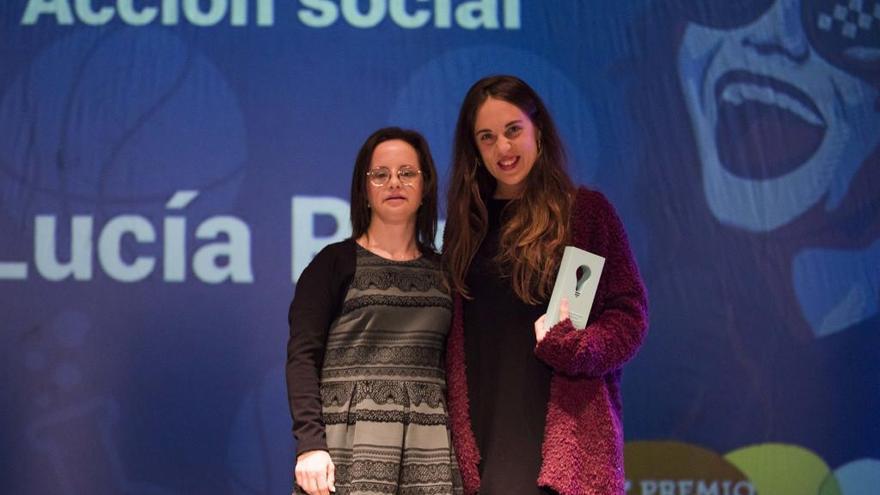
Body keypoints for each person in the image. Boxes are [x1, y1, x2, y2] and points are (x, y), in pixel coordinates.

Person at [442, 75, 649, 494]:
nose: (503, 148)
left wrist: (579, 347)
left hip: (562, 440)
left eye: (513, 130)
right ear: (474, 149)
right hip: (481, 444)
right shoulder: (467, 228)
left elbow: (629, 315)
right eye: (487, 137)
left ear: (538, 128)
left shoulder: (584, 214)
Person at [286, 127, 463, 495]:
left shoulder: (447, 272)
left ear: (425, 185)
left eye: (407, 173)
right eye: (380, 174)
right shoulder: (333, 264)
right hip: (347, 446)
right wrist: (310, 444)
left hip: (429, 451)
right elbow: (302, 357)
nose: (393, 182)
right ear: (364, 190)